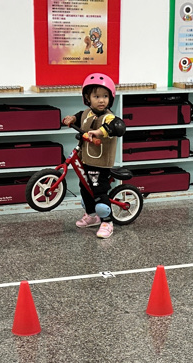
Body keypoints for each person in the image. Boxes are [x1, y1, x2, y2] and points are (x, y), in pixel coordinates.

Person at [61, 74, 127, 239]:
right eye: (96, 97)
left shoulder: (109, 117)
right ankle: (92, 216)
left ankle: (107, 221)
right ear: (87, 98)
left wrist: (99, 132)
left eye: (105, 96)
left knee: (98, 191)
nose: (101, 100)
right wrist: (72, 118)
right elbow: (80, 117)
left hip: (100, 162)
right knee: (85, 188)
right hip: (86, 159)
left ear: (110, 98)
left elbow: (118, 126)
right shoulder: (86, 113)